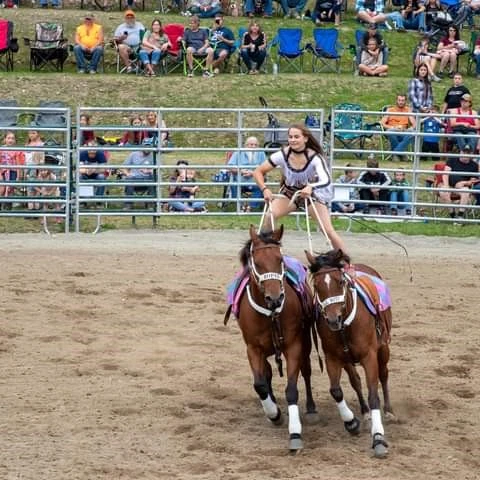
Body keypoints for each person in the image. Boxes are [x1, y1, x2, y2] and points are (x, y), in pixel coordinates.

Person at [253, 124, 347, 252]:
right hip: (289, 194)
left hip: (311, 195)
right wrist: (265, 189)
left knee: (328, 230)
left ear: (305, 139)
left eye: (296, 137)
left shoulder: (315, 157)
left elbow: (326, 179)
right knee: (270, 216)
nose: (293, 140)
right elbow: (258, 171)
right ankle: (267, 250)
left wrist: (311, 187)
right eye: (290, 137)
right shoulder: (282, 154)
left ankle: (346, 262)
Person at [438, 144, 480, 219]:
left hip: (462, 187)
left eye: (468, 153)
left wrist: (463, 183)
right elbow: (445, 174)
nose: (465, 154)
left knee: (466, 191)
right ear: (460, 152)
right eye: (464, 152)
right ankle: (453, 215)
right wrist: (447, 186)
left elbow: (473, 181)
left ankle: (460, 215)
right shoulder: (452, 160)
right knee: (444, 191)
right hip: (449, 184)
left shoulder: (474, 165)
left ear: (471, 154)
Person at [227, 136, 266, 212]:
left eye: (255, 145)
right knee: (234, 185)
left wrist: (253, 173)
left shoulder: (261, 153)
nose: (253, 147)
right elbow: (230, 167)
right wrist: (241, 171)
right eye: (251, 145)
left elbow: (265, 168)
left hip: (255, 181)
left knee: (260, 186)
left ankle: (251, 207)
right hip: (240, 181)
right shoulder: (238, 152)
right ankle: (240, 207)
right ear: (246, 145)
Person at [381, 93, 416, 161]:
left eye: (403, 100)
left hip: (403, 131)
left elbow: (414, 124)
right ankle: (402, 154)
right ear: (396, 101)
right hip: (393, 131)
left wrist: (410, 128)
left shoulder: (408, 110)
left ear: (405, 101)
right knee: (390, 132)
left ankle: (396, 153)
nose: (401, 102)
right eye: (399, 100)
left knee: (412, 132)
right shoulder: (390, 110)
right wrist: (392, 127)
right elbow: (382, 123)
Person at [122, 143, 155, 209]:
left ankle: (150, 203)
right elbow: (123, 167)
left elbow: (157, 170)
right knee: (129, 179)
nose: (147, 149)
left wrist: (148, 171)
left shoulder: (154, 156)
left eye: (149, 147)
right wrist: (128, 174)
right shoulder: (133, 154)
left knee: (153, 178)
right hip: (134, 179)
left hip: (147, 179)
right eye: (146, 146)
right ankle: (128, 204)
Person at [0, 131, 25, 202]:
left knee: (10, 189)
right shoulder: (1, 149)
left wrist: (18, 176)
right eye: (8, 138)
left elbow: (18, 164)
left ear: (15, 140)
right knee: (2, 188)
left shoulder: (17, 150)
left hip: (13, 172)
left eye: (12, 138)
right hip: (3, 172)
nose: (10, 140)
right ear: (4, 139)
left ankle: (7, 205)